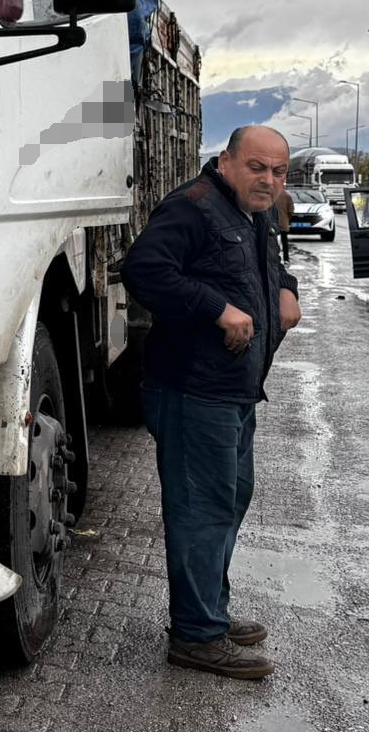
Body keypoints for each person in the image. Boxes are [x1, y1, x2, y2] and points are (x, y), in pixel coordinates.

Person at [121, 125, 301, 680]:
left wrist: (287, 290)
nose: (268, 179)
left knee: (228, 500)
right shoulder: (193, 207)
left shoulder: (256, 213)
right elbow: (143, 271)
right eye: (257, 167)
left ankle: (209, 615)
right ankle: (196, 635)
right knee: (202, 510)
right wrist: (217, 309)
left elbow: (270, 264)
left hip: (233, 388)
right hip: (191, 390)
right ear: (226, 160)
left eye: (279, 171)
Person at [272, 187, 294, 265]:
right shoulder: (287, 196)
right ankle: (286, 259)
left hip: (272, 223)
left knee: (272, 242)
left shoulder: (271, 195)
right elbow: (291, 210)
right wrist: (288, 220)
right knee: (284, 241)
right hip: (284, 222)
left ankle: (274, 259)